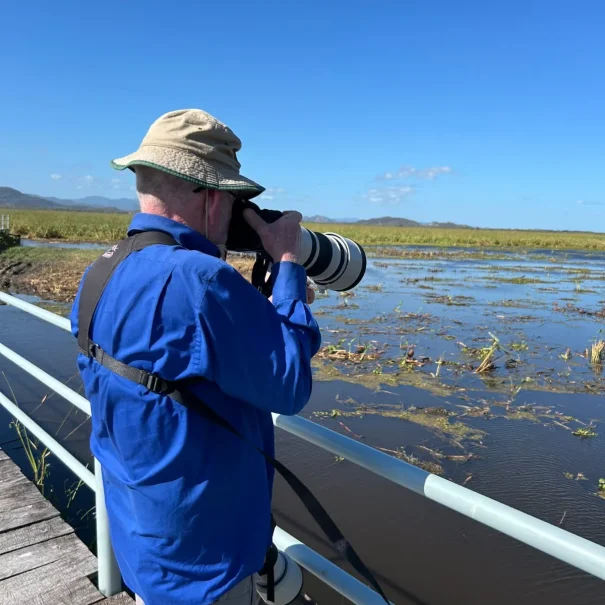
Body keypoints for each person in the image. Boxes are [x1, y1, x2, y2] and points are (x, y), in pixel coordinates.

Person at [69, 109, 322, 605]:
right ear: (210, 197)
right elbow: (291, 384)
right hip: (205, 564)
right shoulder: (202, 282)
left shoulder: (99, 274)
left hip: (140, 538)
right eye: (231, 201)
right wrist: (287, 264)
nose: (232, 215)